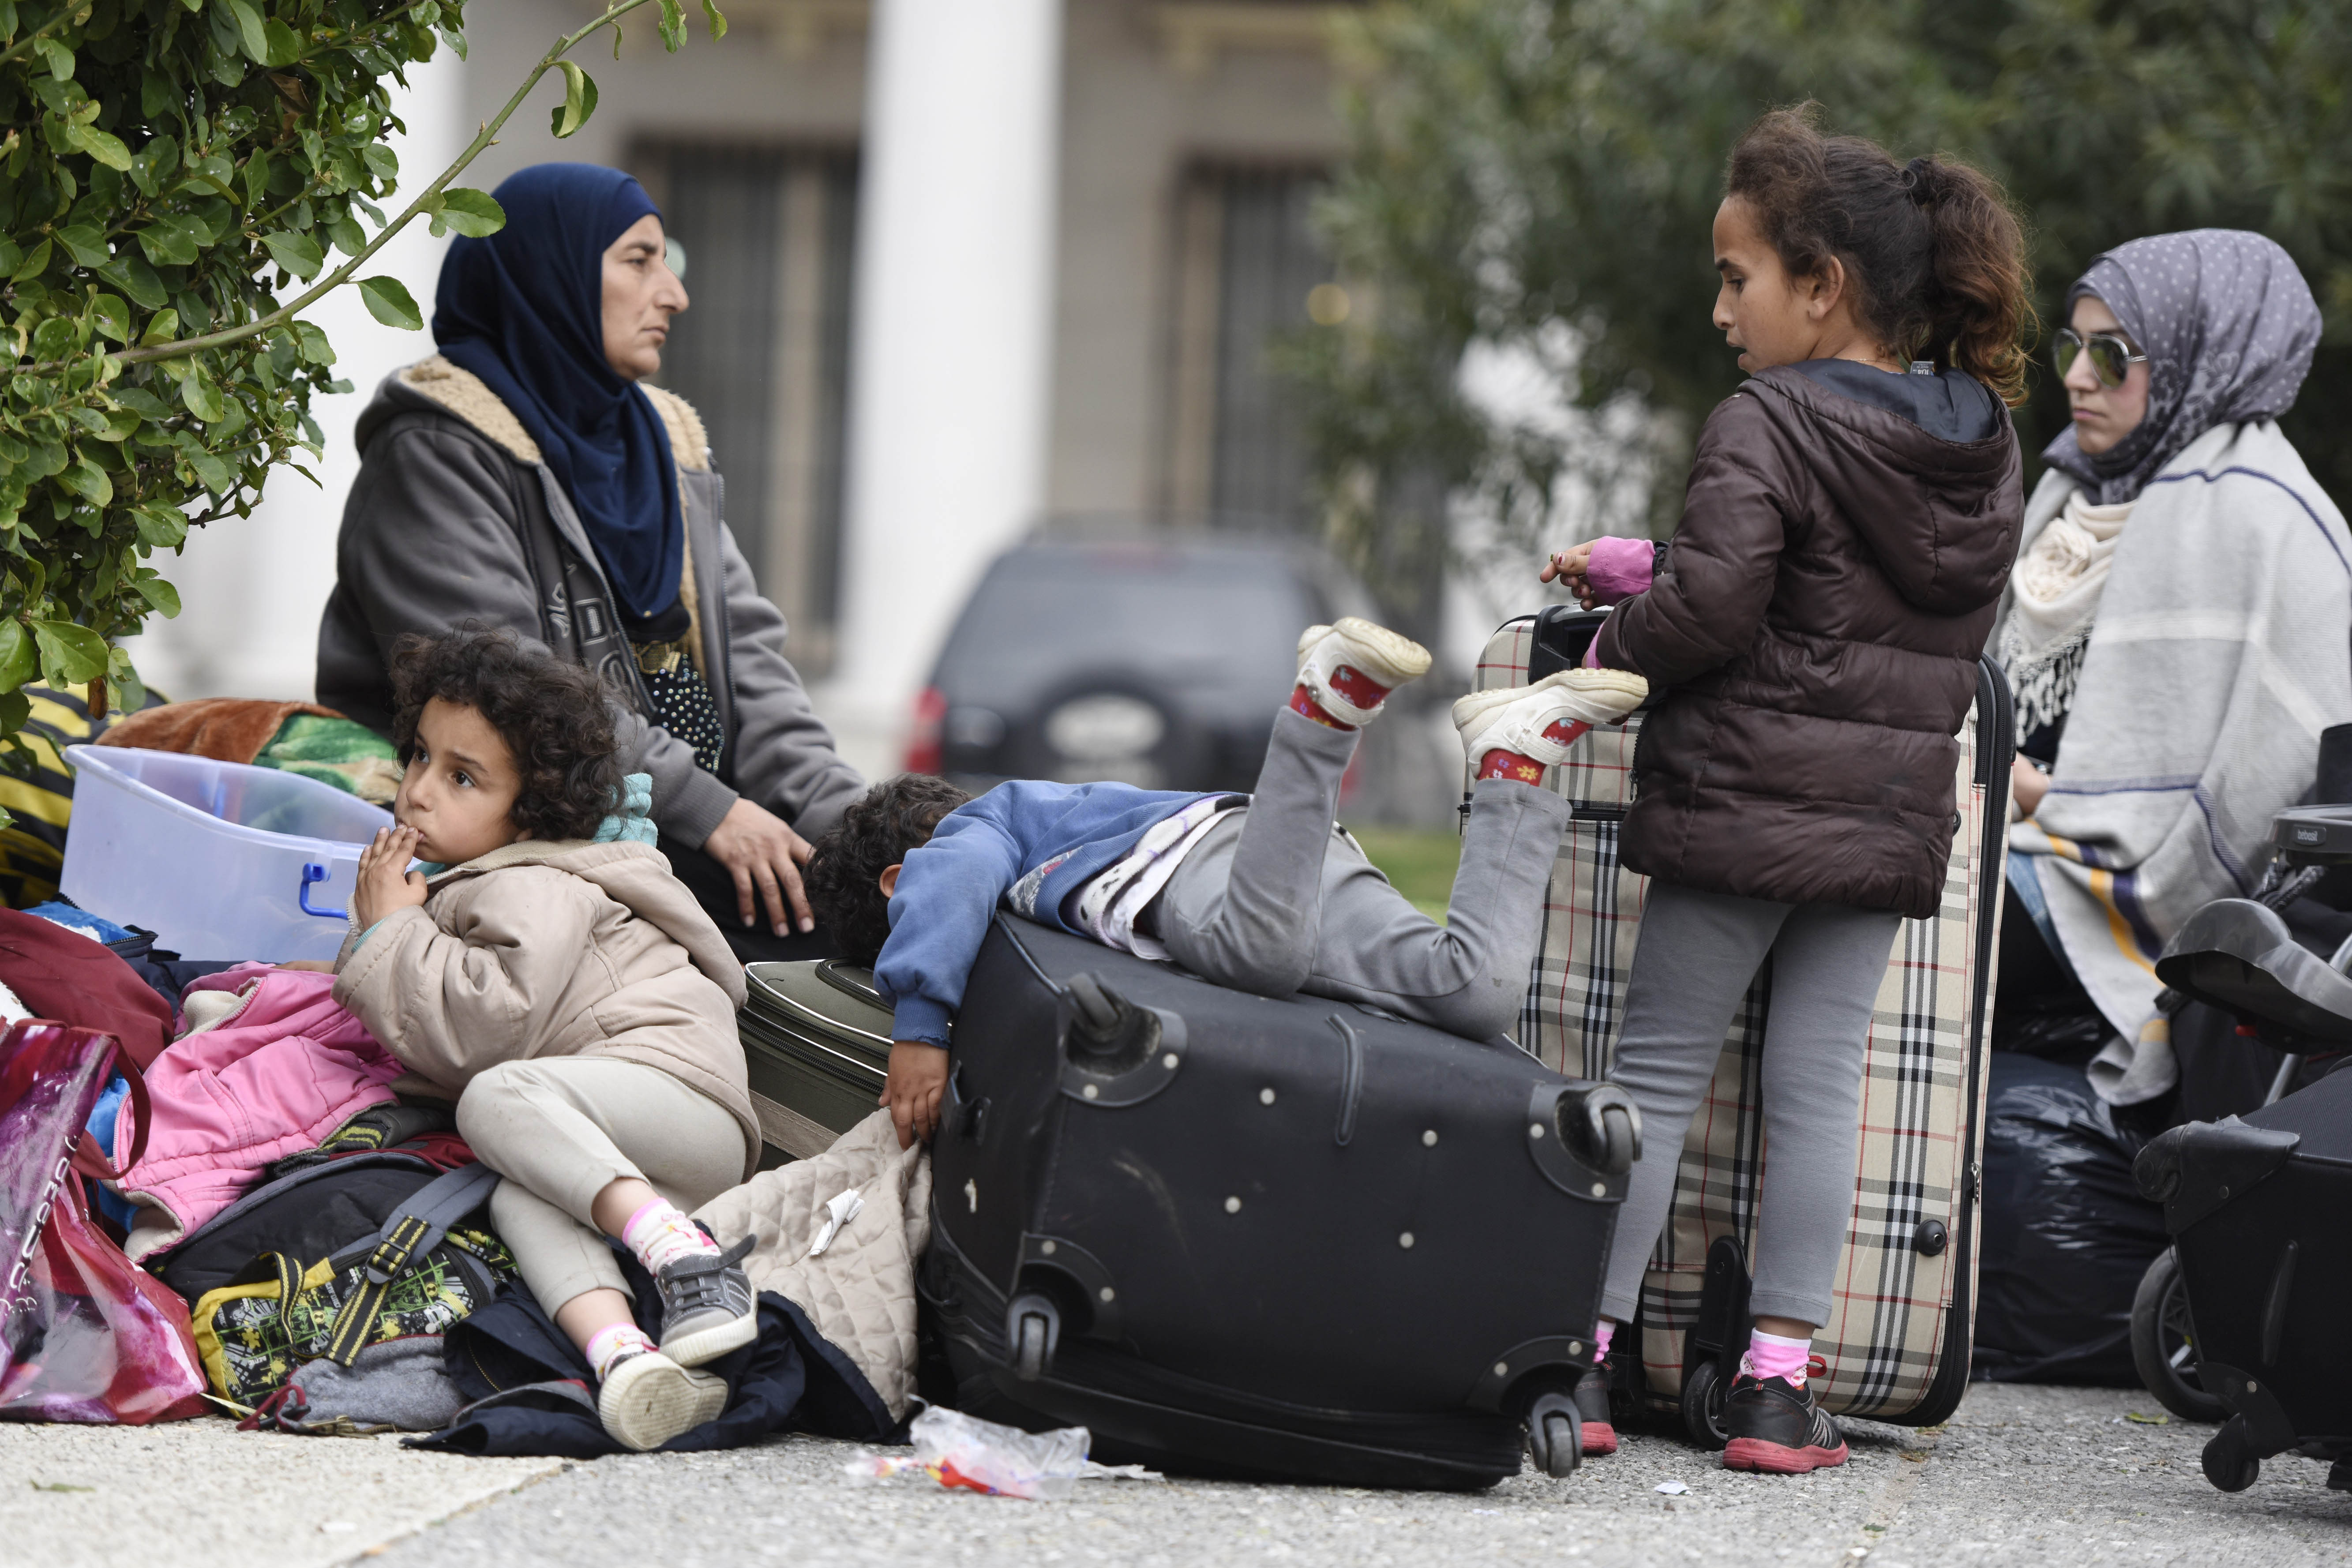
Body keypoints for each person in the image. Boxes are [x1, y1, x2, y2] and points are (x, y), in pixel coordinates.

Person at [1542, 108, 2029, 1472]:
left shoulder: (1767, 414)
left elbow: (1715, 617)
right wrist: (1654, 563)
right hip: (1880, 814)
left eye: (1735, 276)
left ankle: (1575, 1361)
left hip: (1744, 799)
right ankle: (1772, 1386)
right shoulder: (1977, 438)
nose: (1718, 309)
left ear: (1819, 285)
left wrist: (1599, 649)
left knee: (1651, 1073)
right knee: (1822, 1086)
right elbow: (1832, 592)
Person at [799, 618, 1647, 1148]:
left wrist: (920, 1025)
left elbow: (956, 871)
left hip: (1200, 865)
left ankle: (1324, 712)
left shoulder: (980, 827)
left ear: (900, 879)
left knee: (1261, 956)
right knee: (1475, 992)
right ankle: (1517, 760)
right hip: (1288, 850)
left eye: (906, 916)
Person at [317, 163, 863, 962]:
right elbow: (509, 693)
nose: (673, 293)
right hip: (513, 838)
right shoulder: (440, 448)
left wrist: (858, 833)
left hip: (668, 827)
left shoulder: (663, 443)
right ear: (552, 272)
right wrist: (711, 811)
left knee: (882, 913)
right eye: (639, 261)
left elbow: (753, 671)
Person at [334, 627, 761, 1452]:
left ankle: (691, 1265)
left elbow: (482, 1031)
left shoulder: (537, 881)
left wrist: (387, 927)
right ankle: (630, 1361)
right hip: (615, 1127)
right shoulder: (486, 876)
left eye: (463, 777)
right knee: (524, 1188)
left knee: (499, 1095)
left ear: (531, 808)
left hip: (677, 1101)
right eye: (419, 756)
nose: (419, 792)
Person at [1987, 230, 2349, 1106]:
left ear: (2202, 352)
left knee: (1889, 920)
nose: (2075, 376)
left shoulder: (2254, 517)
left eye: (2110, 354)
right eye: (2070, 347)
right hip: (2007, 836)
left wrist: (2030, 794)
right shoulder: (2069, 497)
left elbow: (2231, 820)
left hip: (2116, 891)